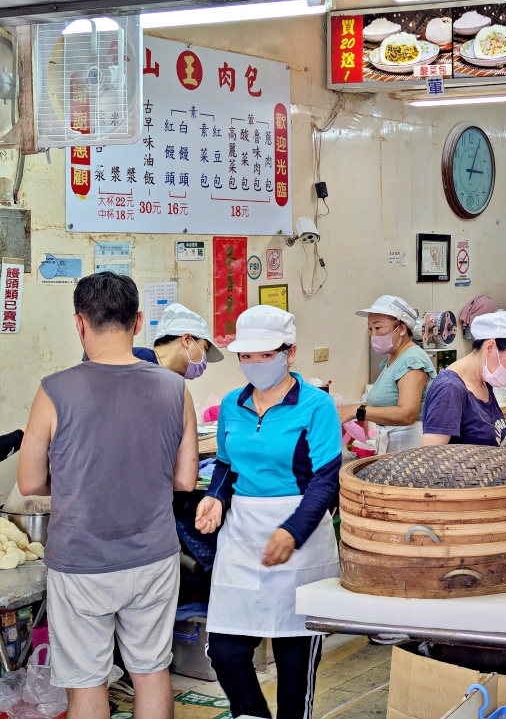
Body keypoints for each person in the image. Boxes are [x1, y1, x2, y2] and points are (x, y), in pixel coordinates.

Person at [17, 271, 199, 717]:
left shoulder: (54, 390)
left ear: (79, 324)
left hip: (80, 562)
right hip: (153, 557)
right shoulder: (176, 389)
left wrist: (79, 480)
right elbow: (185, 481)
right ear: (138, 322)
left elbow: (29, 483)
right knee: (151, 673)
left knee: (86, 683)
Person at [194, 305, 341, 719]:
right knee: (225, 648)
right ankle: (252, 712)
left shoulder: (316, 406)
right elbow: (225, 464)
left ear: (289, 353)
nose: (254, 364)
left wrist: (292, 531)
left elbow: (326, 480)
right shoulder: (231, 404)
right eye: (246, 356)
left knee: (294, 657)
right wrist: (216, 498)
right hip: (242, 535)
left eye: (265, 355)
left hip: (301, 535)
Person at [422, 310, 506, 447]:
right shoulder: (450, 389)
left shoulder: (483, 384)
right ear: (490, 348)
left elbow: (482, 430)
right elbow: (431, 456)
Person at [341, 295, 436, 453]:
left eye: (378, 328)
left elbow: (407, 414)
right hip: (394, 448)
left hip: (409, 449)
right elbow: (385, 404)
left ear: (402, 329)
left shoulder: (412, 360)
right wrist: (349, 408)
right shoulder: (394, 359)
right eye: (370, 329)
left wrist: (357, 412)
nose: (373, 335)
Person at [81, 302, 223, 380]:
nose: (204, 363)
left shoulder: (169, 379)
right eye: (204, 349)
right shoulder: (137, 359)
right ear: (187, 339)